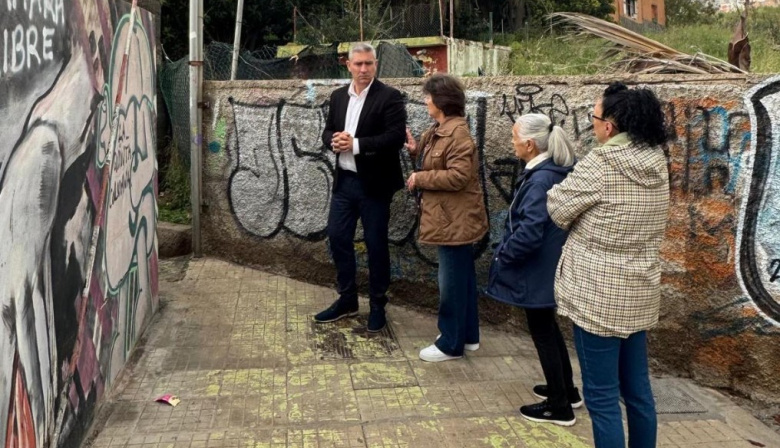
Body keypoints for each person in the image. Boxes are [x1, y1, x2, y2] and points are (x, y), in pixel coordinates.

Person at [547, 82, 670, 447]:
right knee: (638, 393)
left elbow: (557, 206)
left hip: (598, 296)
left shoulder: (601, 163)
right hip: (639, 292)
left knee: (601, 398)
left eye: (594, 117)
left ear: (610, 126)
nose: (593, 124)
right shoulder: (657, 160)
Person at [485, 113, 580, 426]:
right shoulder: (551, 172)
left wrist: (504, 257)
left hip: (537, 268)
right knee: (548, 328)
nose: (512, 144)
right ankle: (566, 390)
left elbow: (529, 232)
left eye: (514, 138)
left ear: (528, 144)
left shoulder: (540, 180)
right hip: (546, 264)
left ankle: (559, 406)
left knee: (543, 332)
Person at [314, 42, 407, 332]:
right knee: (338, 237)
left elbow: (394, 138)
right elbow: (327, 132)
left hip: (375, 186)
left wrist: (354, 144)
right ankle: (347, 298)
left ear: (375, 65)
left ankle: (378, 304)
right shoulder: (338, 97)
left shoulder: (390, 97)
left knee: (376, 245)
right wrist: (334, 140)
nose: (364, 69)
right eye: (359, 64)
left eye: (369, 64)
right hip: (345, 182)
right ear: (349, 65)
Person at [405, 74, 488, 362]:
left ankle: (450, 344)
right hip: (451, 218)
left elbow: (458, 176)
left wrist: (420, 177)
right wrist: (417, 152)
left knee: (451, 283)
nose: (425, 101)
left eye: (428, 97)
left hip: (454, 220)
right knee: (462, 278)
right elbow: (442, 162)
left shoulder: (457, 134)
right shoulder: (441, 129)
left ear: (441, 101)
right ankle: (468, 337)